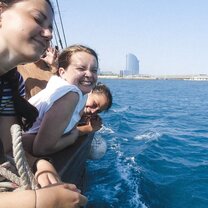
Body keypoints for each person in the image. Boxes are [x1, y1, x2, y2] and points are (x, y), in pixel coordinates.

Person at [0, 0, 87, 207]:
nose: (48, 34)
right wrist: (36, 201)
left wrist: (41, 165)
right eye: (38, 19)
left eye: (50, 28)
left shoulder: (11, 85)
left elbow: (8, 150)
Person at [22, 44, 98, 156]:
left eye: (94, 70)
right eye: (81, 68)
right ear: (62, 72)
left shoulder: (82, 94)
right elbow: (41, 149)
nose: (89, 74)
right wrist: (72, 137)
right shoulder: (70, 95)